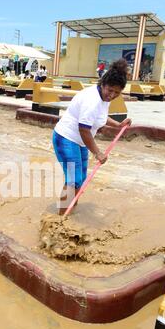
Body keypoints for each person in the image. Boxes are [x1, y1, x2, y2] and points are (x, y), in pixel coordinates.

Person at [53, 59, 132, 215]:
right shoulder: (92, 100)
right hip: (66, 138)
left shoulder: (104, 98)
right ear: (103, 84)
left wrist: (118, 125)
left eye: (117, 92)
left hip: (80, 142)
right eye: (110, 90)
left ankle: (71, 212)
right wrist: (97, 153)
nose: (112, 95)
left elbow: (100, 117)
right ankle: (60, 220)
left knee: (80, 178)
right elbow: (84, 129)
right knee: (73, 180)